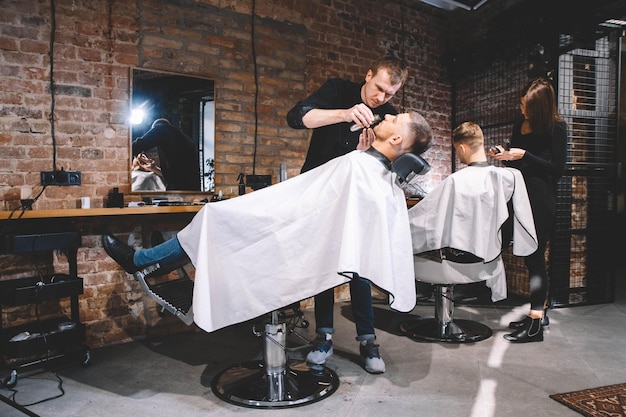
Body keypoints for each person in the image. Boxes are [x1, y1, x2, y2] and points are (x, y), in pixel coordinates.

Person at [103, 112, 433, 368]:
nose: (385, 116)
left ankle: (141, 261)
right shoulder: (377, 174)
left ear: (396, 137)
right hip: (296, 240)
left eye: (393, 118)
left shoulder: (361, 167)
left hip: (289, 246)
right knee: (215, 220)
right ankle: (146, 261)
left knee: (213, 218)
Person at [285, 57, 408, 374]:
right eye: (379, 88)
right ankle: (323, 336)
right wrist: (343, 114)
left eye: (389, 94)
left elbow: (387, 168)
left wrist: (368, 153)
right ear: (368, 75)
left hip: (357, 202)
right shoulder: (338, 90)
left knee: (359, 268)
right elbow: (296, 117)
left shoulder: (390, 117)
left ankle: (368, 340)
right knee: (325, 265)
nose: (381, 99)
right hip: (319, 195)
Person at [409, 121, 537, 304]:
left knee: (405, 239)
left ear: (461, 147)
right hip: (489, 260)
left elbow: (423, 221)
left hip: (455, 262)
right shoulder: (505, 177)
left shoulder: (456, 181)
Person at [489, 77, 567, 343]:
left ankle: (535, 324)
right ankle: (537, 312)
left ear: (540, 108)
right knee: (518, 251)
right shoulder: (518, 123)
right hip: (516, 195)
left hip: (540, 199)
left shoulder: (556, 127)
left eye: (527, 107)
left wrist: (524, 156)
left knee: (534, 258)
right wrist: (504, 152)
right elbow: (515, 152)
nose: (522, 111)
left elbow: (558, 169)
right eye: (522, 105)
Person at [132, 118, 201, 191]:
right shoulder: (183, 142)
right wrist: (154, 168)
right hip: (191, 188)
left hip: (181, 190)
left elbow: (137, 145)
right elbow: (175, 176)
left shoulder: (161, 129)